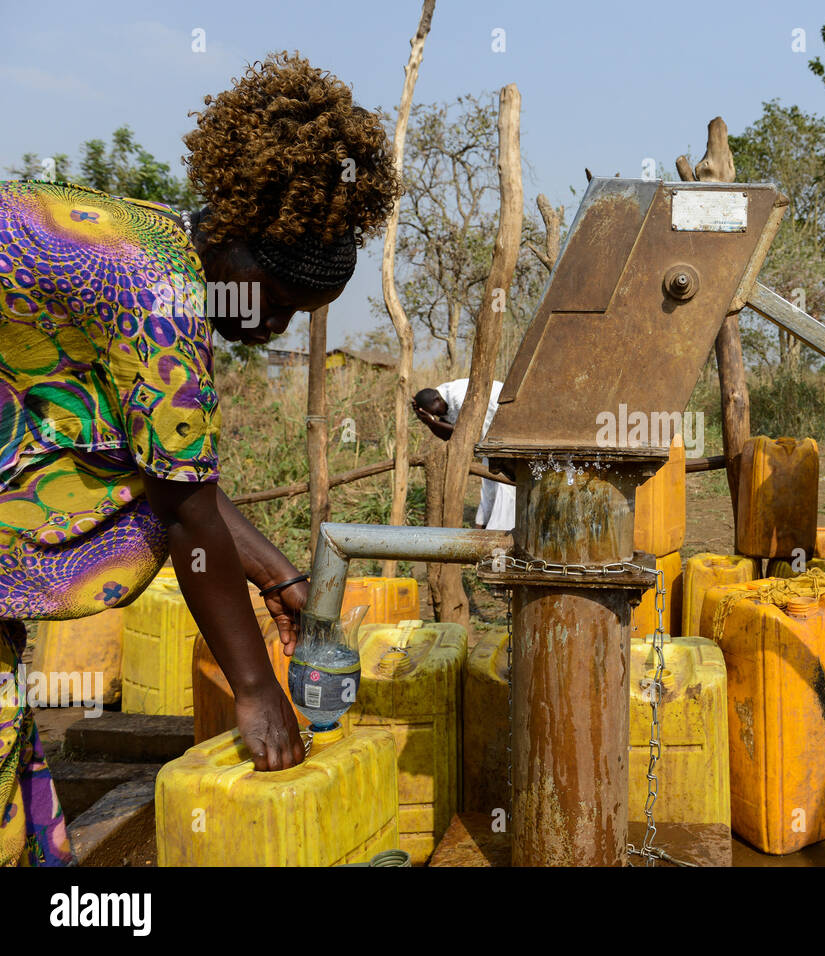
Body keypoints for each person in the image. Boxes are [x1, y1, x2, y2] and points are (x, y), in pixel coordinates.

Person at [0, 52, 400, 864]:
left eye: (295, 316)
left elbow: (177, 477)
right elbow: (184, 509)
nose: (272, 327)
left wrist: (276, 575)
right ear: (235, 243)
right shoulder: (161, 295)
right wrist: (254, 691)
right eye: (275, 300)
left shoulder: (154, 241)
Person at [413, 379, 515, 531]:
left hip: (508, 427)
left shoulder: (460, 397)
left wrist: (433, 423)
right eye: (434, 415)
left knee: (504, 486)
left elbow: (467, 435)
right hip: (491, 440)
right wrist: (429, 422)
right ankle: (483, 526)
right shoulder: (440, 401)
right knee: (488, 483)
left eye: (437, 413)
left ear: (437, 399)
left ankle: (498, 531)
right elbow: (449, 436)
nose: (438, 415)